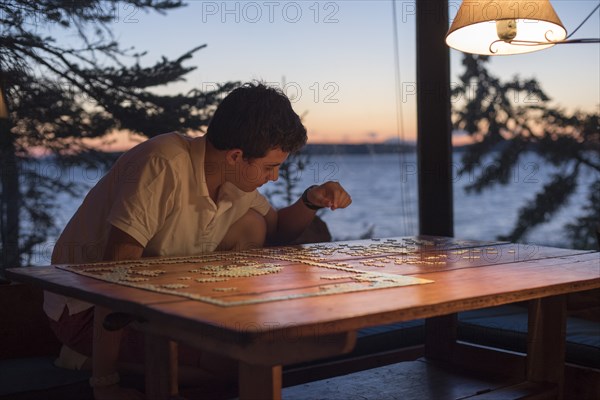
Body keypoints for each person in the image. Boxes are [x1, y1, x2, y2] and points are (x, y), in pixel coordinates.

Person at [44, 82, 352, 400]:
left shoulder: (232, 180)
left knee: (252, 227)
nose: (273, 176)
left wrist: (311, 201)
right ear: (236, 156)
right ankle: (88, 361)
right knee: (239, 362)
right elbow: (114, 278)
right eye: (270, 167)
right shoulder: (162, 164)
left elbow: (277, 231)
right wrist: (105, 384)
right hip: (87, 311)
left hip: (154, 304)